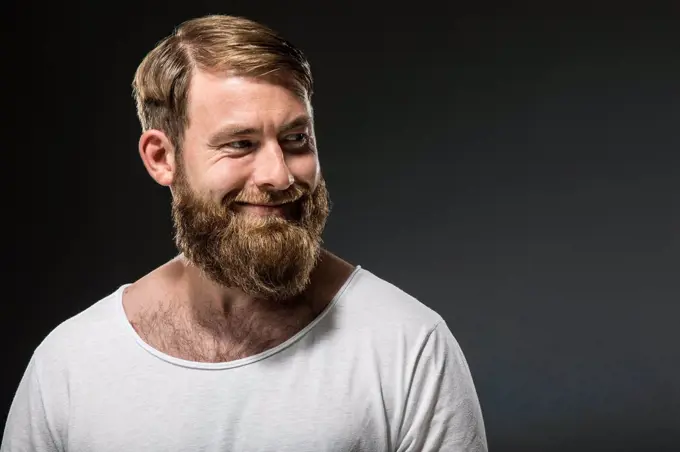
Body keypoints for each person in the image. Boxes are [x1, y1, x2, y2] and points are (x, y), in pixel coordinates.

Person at [2, 15, 488, 451]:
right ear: (161, 158)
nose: (279, 175)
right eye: (240, 144)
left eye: (296, 139)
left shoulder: (408, 347)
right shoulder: (71, 364)